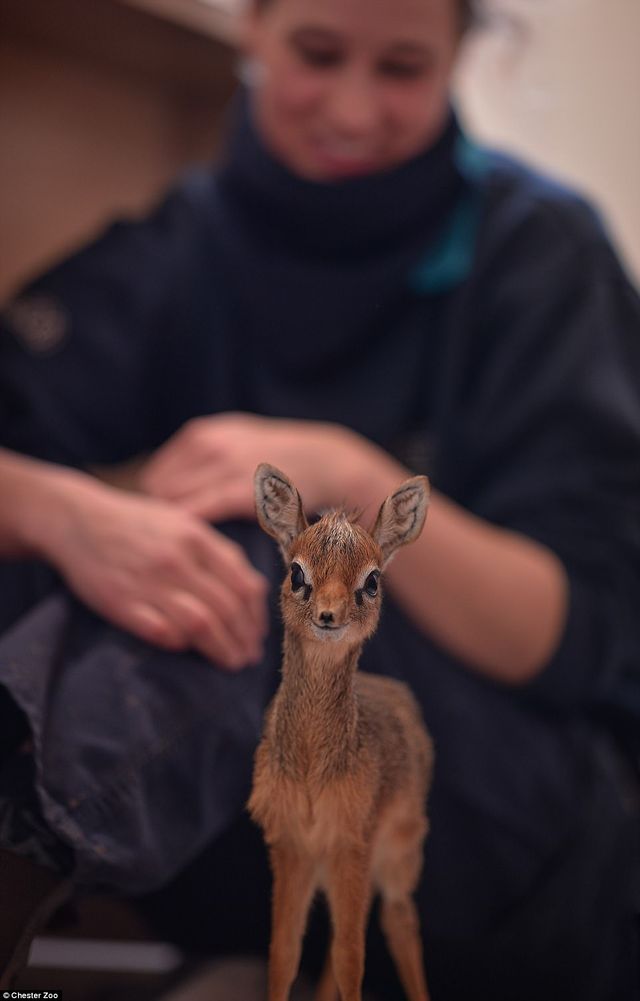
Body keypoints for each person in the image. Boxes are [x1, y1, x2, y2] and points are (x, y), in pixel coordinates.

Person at [0, 0, 639, 997]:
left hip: (512, 841)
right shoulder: (176, 244)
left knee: (293, 555)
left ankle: (22, 845)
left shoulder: (540, 252)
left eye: (401, 69)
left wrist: (352, 472)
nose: (351, 108)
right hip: (248, 829)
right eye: (317, 53)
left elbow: (572, 634)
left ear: (458, 58)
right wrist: (60, 511)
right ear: (252, 27)